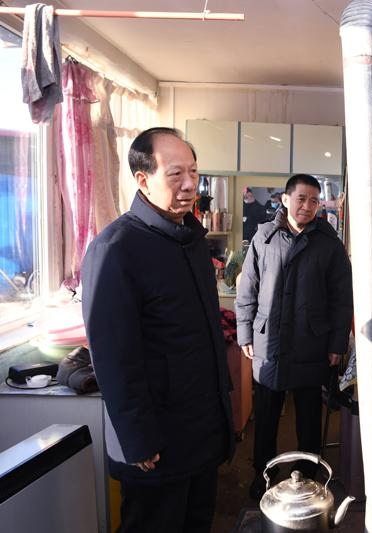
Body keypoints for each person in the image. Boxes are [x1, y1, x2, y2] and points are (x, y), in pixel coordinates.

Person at [81, 127, 235, 533]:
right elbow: (113, 357)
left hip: (201, 429)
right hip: (157, 442)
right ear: (143, 179)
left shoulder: (191, 240)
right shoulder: (116, 249)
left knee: (197, 522)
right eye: (175, 174)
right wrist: (137, 438)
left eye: (194, 172)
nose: (189, 184)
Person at [235, 173, 353, 500]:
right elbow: (248, 290)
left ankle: (309, 475)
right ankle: (263, 474)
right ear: (285, 200)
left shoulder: (329, 244)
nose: (307, 206)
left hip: (310, 342)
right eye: (301, 198)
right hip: (268, 341)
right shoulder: (264, 237)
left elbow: (342, 300)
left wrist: (336, 344)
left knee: (309, 416)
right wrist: (245, 332)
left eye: (314, 201)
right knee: (267, 416)